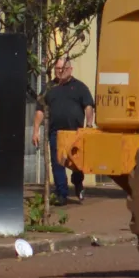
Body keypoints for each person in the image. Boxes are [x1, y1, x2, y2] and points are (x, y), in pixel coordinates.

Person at [40, 56, 96, 206]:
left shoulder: (80, 87)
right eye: (58, 69)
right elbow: (40, 110)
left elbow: (88, 106)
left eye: (63, 69)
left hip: (75, 133)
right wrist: (35, 131)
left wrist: (89, 125)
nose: (60, 72)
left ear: (70, 70)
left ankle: (78, 183)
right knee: (57, 163)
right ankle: (62, 194)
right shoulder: (49, 88)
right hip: (55, 133)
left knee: (76, 164)